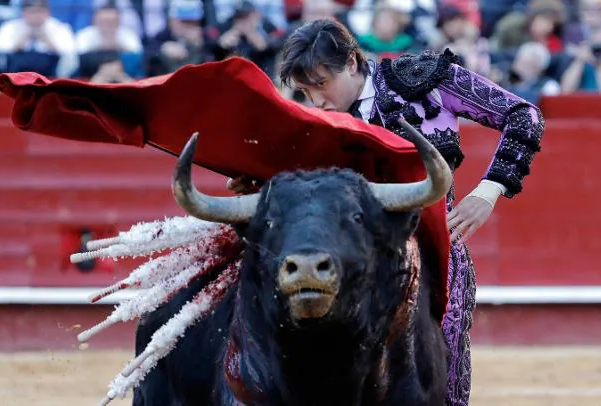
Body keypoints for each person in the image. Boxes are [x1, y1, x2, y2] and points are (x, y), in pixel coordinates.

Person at [227, 19, 545, 406]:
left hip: (438, 260)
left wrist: (488, 190)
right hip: (353, 275)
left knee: (441, 386)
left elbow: (523, 115)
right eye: (306, 92)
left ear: (350, 62)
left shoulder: (426, 81)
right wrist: (257, 187)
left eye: (321, 84)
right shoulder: (313, 124)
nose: (317, 102)